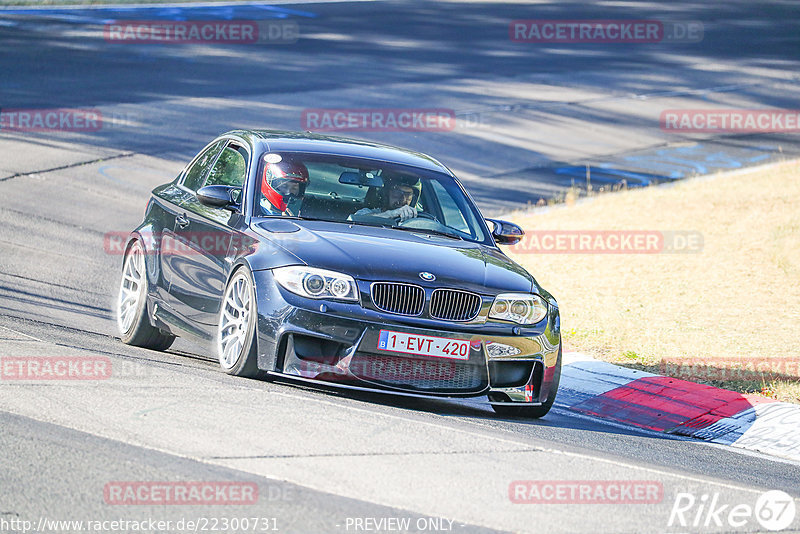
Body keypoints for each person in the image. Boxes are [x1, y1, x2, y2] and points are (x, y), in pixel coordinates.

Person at [350, 173, 421, 221]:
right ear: (386, 194)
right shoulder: (367, 212)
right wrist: (392, 213)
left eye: (408, 194)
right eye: (397, 193)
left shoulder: (417, 220)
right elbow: (355, 220)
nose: (403, 199)